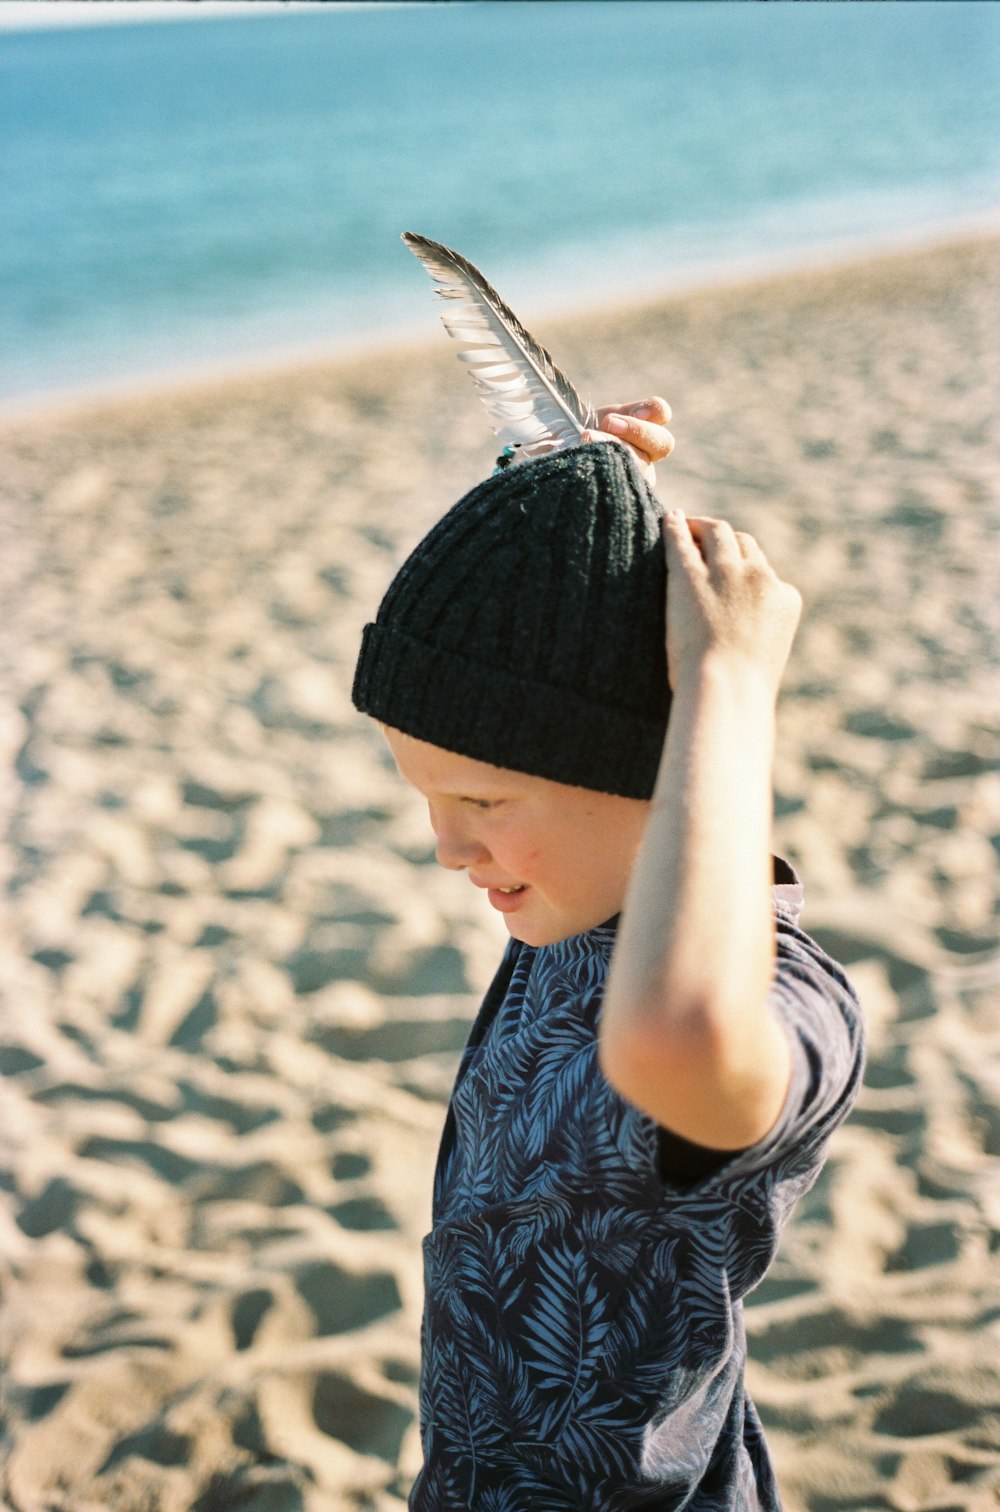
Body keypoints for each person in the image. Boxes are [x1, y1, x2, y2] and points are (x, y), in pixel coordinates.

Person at [351, 398, 865, 1510]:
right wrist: (573, 501)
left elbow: (674, 1035)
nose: (448, 848)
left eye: (484, 798)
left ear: (647, 760)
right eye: (428, 799)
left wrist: (727, 686)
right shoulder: (569, 909)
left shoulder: (774, 995)